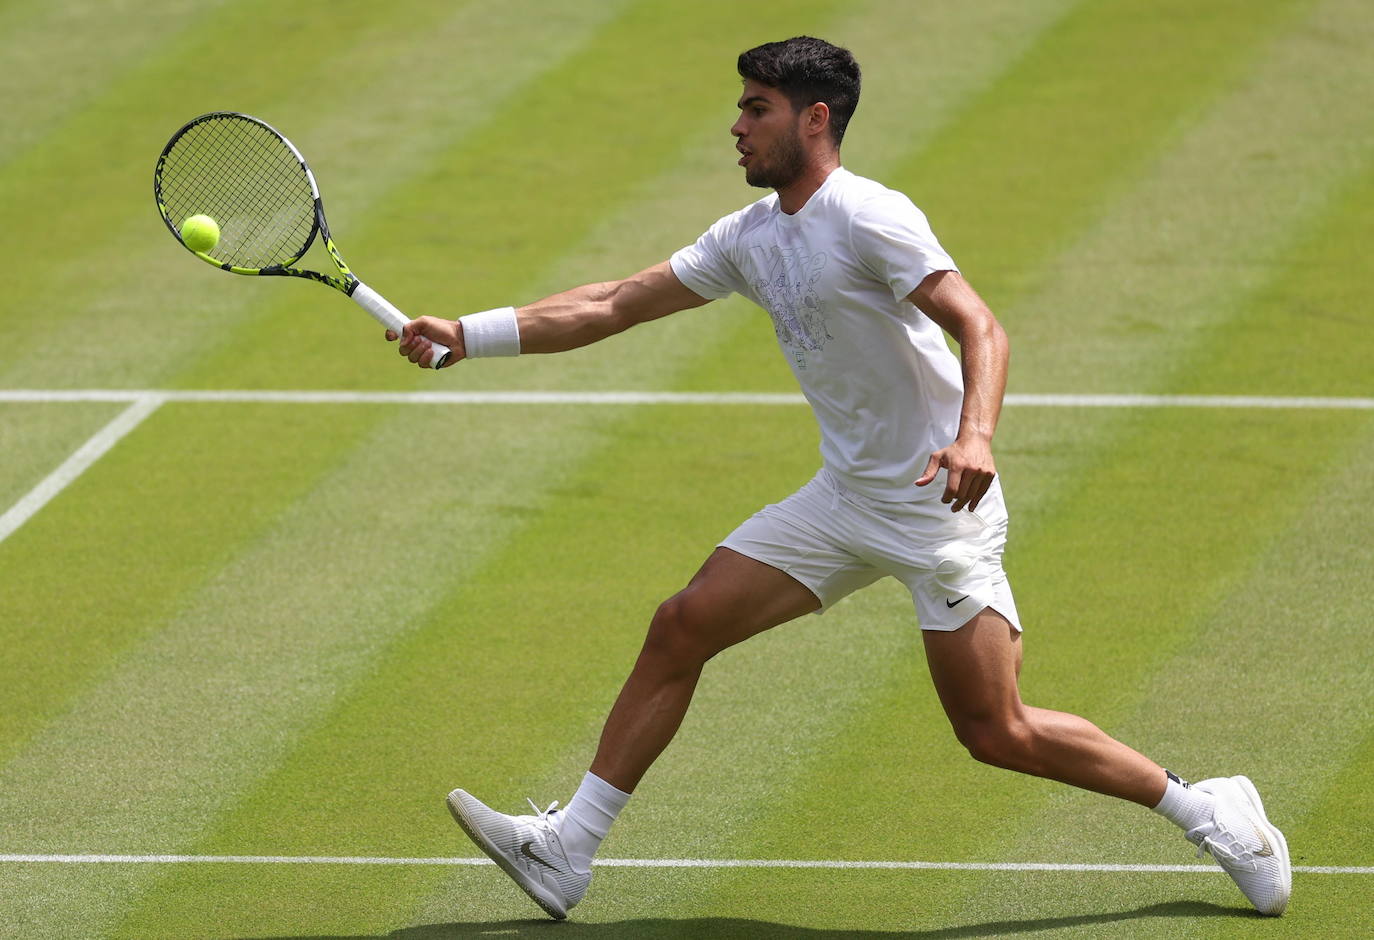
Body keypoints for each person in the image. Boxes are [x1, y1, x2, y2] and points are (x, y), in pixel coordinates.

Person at [388, 36, 1290, 922]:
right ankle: (567, 850)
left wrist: (975, 437)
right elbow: (614, 303)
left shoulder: (870, 216)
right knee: (682, 624)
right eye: (740, 106)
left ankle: (1211, 812)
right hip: (843, 499)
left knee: (995, 731)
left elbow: (981, 325)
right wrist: (471, 332)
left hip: (940, 507)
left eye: (756, 108)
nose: (735, 127)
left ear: (815, 119)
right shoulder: (747, 236)